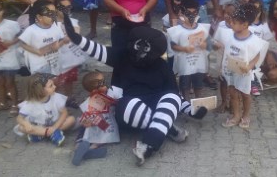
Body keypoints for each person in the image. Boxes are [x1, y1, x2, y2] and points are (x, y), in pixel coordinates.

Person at [62, 15, 207, 166]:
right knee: (127, 104)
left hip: (156, 104)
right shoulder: (122, 56)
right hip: (131, 109)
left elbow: (175, 95)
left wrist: (191, 110)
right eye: (139, 46)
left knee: (172, 98)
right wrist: (75, 37)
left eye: (147, 48)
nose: (142, 52)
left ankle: (147, 147)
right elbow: (98, 50)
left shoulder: (161, 66)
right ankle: (168, 128)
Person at [214, 3, 268, 129]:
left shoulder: (253, 40)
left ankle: (246, 115)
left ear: (244, 25)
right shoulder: (228, 35)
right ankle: (236, 115)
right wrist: (222, 66)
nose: (231, 24)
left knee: (245, 94)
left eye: (234, 22)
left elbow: (257, 55)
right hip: (230, 70)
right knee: (232, 92)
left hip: (244, 71)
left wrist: (250, 66)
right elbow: (225, 50)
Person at [72, 71, 120, 166]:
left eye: (104, 81)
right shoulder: (93, 100)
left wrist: (114, 102)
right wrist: (86, 120)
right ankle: (85, 149)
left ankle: (84, 150)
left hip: (103, 122)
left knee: (92, 132)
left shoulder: (110, 92)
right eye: (102, 84)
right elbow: (88, 114)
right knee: (89, 130)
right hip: (99, 123)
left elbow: (120, 102)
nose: (105, 84)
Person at [167, 0, 210, 99]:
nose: (191, 16)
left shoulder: (203, 29)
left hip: (199, 63)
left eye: (194, 13)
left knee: (198, 85)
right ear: (181, 12)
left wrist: (203, 45)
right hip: (184, 65)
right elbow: (172, 46)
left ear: (198, 13)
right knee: (184, 85)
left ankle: (198, 101)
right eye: (188, 13)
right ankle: (185, 102)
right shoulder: (176, 31)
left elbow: (209, 45)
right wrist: (184, 49)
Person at [14, 73, 75, 146]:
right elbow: (19, 118)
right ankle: (51, 134)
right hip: (38, 126)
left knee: (71, 119)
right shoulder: (30, 103)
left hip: (55, 123)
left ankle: (40, 134)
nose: (55, 87)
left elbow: (64, 113)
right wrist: (26, 124)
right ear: (41, 90)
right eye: (51, 86)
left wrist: (54, 127)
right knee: (21, 127)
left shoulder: (56, 97)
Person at [53, 0, 87, 108]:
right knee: (56, 81)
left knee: (69, 81)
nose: (66, 11)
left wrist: (72, 35)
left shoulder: (72, 21)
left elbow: (76, 31)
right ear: (56, 8)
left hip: (70, 57)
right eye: (63, 8)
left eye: (69, 8)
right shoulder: (51, 24)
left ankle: (69, 98)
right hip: (55, 58)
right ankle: (54, 101)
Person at [18, 0, 65, 76]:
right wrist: (37, 51)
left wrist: (59, 44)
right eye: (50, 14)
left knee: (54, 84)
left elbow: (61, 39)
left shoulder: (56, 26)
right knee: (43, 86)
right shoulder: (31, 30)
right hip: (39, 66)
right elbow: (21, 43)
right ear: (39, 17)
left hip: (54, 63)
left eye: (55, 13)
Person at [214, 0, 241, 113]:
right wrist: (215, 44)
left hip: (236, 59)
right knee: (223, 82)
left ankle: (235, 104)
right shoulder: (219, 25)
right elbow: (211, 39)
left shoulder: (240, 26)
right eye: (225, 13)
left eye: (231, 14)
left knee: (235, 83)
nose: (227, 16)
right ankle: (224, 102)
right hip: (222, 59)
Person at [248, 0, 274, 96]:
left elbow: (266, 41)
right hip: (246, 52)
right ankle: (249, 84)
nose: (255, 12)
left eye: (258, 10)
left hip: (258, 54)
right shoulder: (245, 24)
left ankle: (253, 85)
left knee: (254, 67)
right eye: (253, 9)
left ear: (261, 11)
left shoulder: (263, 25)